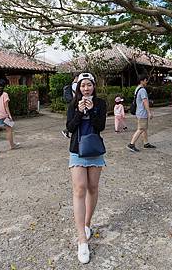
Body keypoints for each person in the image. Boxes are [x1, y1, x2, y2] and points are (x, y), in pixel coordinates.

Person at [66, 72, 107, 264]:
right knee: (79, 188)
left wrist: (92, 111)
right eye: (83, 86)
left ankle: (88, 224)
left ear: (94, 86)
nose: (86, 88)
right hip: (76, 150)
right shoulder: (73, 105)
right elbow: (70, 128)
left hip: (95, 150)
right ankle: (82, 240)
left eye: (89, 85)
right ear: (78, 88)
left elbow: (101, 127)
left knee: (92, 187)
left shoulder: (100, 103)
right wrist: (79, 112)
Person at [127, 74, 155, 152]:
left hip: (138, 112)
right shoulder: (142, 90)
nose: (147, 82)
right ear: (142, 81)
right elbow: (145, 101)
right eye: (146, 80)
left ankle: (146, 143)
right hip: (142, 112)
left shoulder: (138, 88)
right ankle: (131, 144)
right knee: (141, 128)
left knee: (144, 128)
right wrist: (149, 112)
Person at [0, 79, 19, 155]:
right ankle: (12, 145)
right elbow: (6, 107)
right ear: (4, 86)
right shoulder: (5, 94)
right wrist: (10, 116)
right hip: (3, 116)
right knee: (9, 130)